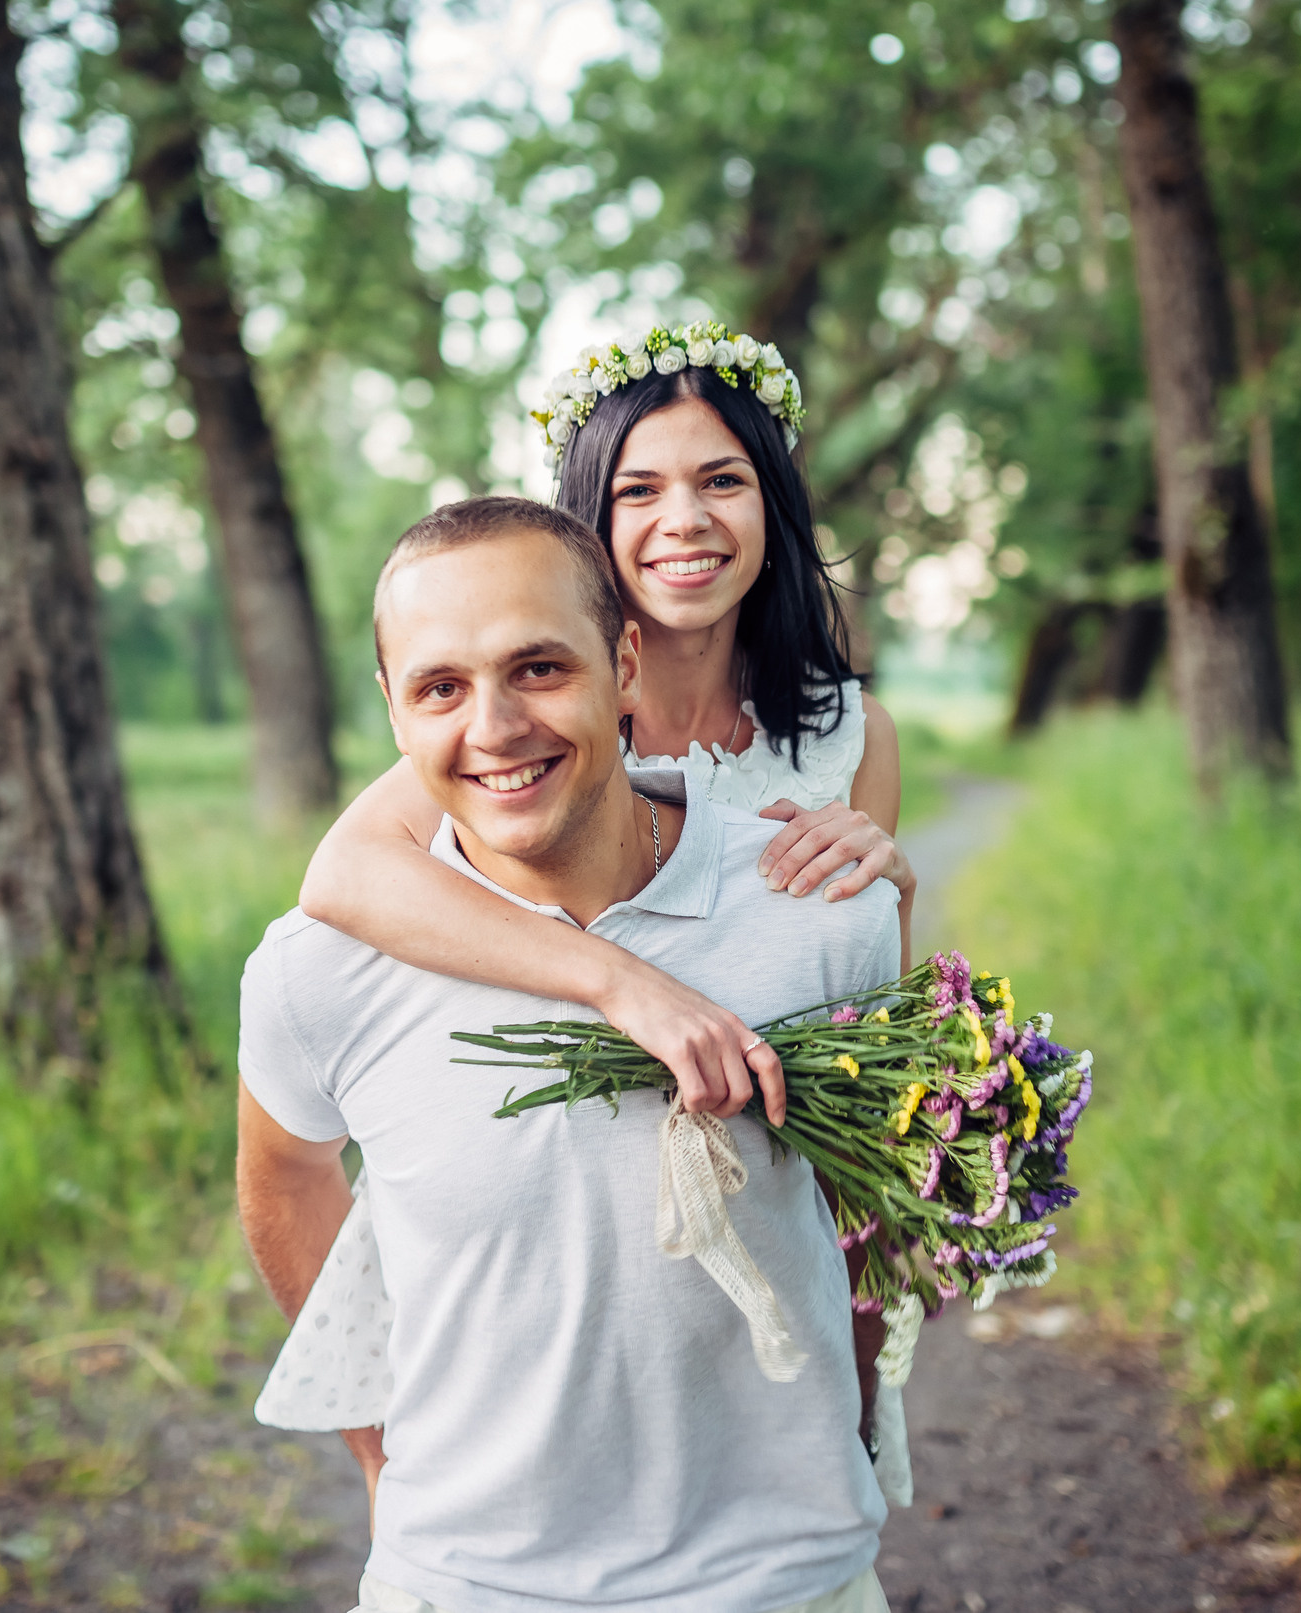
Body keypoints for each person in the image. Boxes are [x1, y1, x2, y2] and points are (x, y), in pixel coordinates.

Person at [256, 325, 917, 1498]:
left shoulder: (844, 735)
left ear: (775, 504)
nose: (687, 520)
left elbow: (854, 1017)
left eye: (724, 480)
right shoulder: (526, 712)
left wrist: (887, 871)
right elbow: (346, 874)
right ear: (592, 531)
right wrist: (618, 980)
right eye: (638, 489)